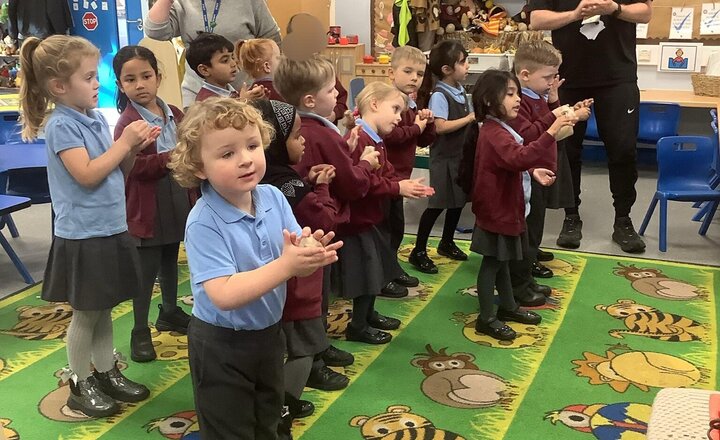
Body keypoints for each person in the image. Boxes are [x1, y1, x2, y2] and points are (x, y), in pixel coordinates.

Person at [168, 97, 342, 438]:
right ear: (199, 167)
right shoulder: (204, 221)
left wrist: (308, 253)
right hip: (221, 345)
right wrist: (288, 265)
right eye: (227, 153)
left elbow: (291, 256)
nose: (245, 159)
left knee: (269, 417)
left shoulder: (273, 197)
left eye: (251, 145)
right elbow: (223, 294)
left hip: (268, 334)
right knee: (230, 428)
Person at [19, 35, 155, 417]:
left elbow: (117, 172)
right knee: (86, 313)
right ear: (60, 86)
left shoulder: (94, 119)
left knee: (105, 307)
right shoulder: (61, 125)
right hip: (83, 234)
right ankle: (79, 382)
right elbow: (88, 175)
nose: (98, 83)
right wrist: (124, 142)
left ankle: (106, 371)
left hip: (110, 226)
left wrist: (132, 150)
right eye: (89, 76)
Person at [274, 54, 378, 385]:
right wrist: (363, 161)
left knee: (315, 296)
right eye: (331, 90)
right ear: (309, 99)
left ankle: (319, 349)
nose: (337, 95)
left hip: (303, 220)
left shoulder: (299, 125)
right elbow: (352, 183)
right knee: (312, 298)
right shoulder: (319, 132)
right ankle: (313, 360)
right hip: (317, 221)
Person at [458, 69, 574, 341]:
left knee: (503, 261)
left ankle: (508, 306)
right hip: (497, 210)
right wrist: (551, 131)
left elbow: (511, 163)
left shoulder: (502, 128)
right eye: (509, 94)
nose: (517, 99)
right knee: (492, 264)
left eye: (517, 93)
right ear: (489, 101)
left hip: (508, 207)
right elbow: (516, 158)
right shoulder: (493, 131)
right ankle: (486, 317)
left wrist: (532, 171)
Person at [529, 0, 653, 253]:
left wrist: (615, 9)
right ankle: (571, 217)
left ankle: (623, 221)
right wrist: (575, 14)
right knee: (567, 151)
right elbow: (536, 20)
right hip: (569, 77)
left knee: (623, 150)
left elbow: (646, 13)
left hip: (618, 77)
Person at [255, 98, 345, 424]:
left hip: (274, 283)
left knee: (283, 343)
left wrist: (308, 183)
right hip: (298, 282)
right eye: (295, 136)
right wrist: (320, 189)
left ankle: (276, 401)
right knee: (303, 346)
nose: (303, 141)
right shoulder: (287, 184)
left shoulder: (272, 181)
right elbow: (323, 220)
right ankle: (284, 403)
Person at [113, 45, 194, 362]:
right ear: (120, 85)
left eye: (146, 76)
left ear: (158, 77)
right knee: (144, 273)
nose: (140, 84)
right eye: (130, 80)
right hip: (146, 205)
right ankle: (139, 329)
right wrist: (171, 158)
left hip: (177, 196)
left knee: (171, 258)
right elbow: (131, 169)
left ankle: (170, 310)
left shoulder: (174, 112)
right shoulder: (127, 123)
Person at [340, 81, 432, 344]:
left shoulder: (376, 139)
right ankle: (357, 326)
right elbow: (363, 182)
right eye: (394, 109)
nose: (398, 118)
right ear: (374, 104)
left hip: (372, 217)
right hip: (359, 221)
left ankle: (368, 314)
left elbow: (386, 170)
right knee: (367, 274)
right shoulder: (359, 138)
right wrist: (396, 187)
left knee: (376, 269)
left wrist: (403, 184)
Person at [507, 40, 590, 306]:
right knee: (525, 234)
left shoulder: (538, 97)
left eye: (555, 75)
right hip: (527, 176)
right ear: (525, 75)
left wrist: (570, 114)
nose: (553, 82)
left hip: (540, 173)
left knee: (535, 233)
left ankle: (526, 279)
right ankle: (518, 287)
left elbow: (553, 132)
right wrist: (556, 116)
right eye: (548, 77)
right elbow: (528, 135)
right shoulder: (519, 103)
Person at [408, 40, 476, 275]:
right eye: (463, 62)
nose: (467, 66)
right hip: (445, 159)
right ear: (447, 69)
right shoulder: (440, 94)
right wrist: (469, 119)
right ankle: (418, 250)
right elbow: (440, 126)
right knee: (437, 205)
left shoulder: (458, 90)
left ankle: (447, 242)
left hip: (460, 157)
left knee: (458, 201)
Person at [379, 44, 437, 298]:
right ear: (391, 73)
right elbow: (391, 135)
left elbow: (421, 140)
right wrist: (416, 127)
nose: (415, 78)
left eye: (420, 73)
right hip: (385, 177)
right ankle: (381, 276)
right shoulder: (389, 102)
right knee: (385, 228)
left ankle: (391, 268)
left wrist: (428, 124)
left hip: (400, 177)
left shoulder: (411, 103)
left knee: (396, 227)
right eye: (408, 71)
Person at [144, 0, 280, 107]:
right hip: (197, 91)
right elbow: (155, 30)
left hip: (245, 90)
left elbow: (272, 40)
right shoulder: (183, 3)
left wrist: (264, 78)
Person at [186, 32, 242, 102]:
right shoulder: (207, 102)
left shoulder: (232, 92)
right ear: (204, 70)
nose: (233, 64)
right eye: (225, 60)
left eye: (233, 57)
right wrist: (244, 101)